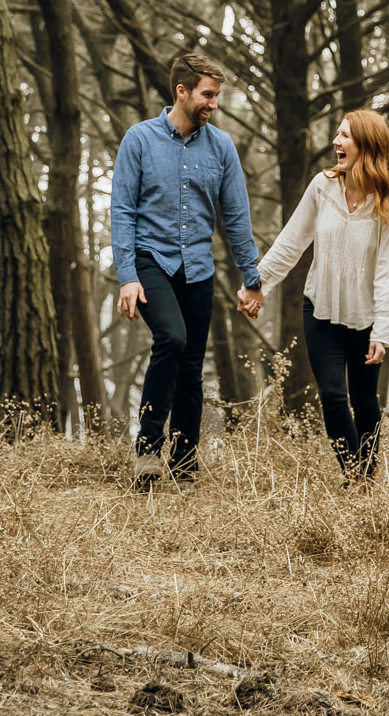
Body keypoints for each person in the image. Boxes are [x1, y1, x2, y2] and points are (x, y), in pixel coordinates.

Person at [109, 51, 261, 489]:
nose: (214, 103)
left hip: (197, 267)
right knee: (171, 339)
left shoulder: (222, 147)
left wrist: (251, 279)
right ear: (182, 91)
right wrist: (127, 276)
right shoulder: (139, 140)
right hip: (149, 260)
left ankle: (185, 464)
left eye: (217, 95)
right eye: (207, 94)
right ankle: (148, 451)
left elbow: (235, 217)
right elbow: (122, 211)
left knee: (192, 367)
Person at [241, 108, 389, 481]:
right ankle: (357, 480)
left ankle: (367, 478)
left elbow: (388, 271)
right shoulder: (323, 186)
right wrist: (258, 284)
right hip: (320, 309)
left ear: (366, 145)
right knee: (333, 396)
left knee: (365, 401)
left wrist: (382, 331)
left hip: (366, 318)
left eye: (345, 136)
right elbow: (292, 240)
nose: (336, 142)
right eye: (337, 134)